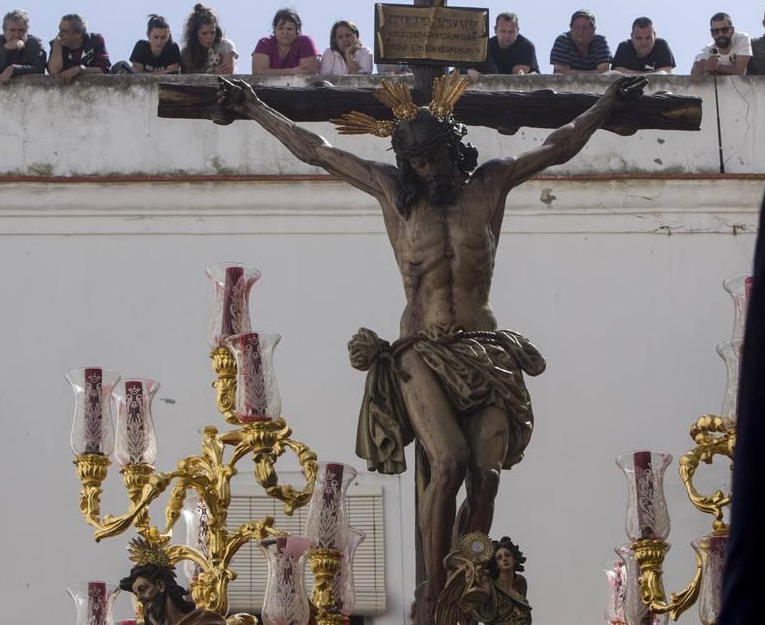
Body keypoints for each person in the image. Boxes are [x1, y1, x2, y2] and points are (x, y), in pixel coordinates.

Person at [213, 71, 648, 623]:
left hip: (486, 350)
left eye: (437, 157)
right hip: (419, 351)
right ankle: (433, 588)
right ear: (405, 163)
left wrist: (605, 105)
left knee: (485, 480)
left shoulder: (490, 185)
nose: (428, 170)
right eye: (417, 162)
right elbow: (316, 150)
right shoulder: (394, 195)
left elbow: (556, 146)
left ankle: (469, 579)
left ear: (454, 148)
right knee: (449, 464)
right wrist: (254, 106)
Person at [462, 12, 540, 79]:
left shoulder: (526, 47)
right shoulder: (485, 47)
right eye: (503, 31)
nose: (507, 35)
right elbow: (460, 66)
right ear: (495, 30)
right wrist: (468, 71)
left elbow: (516, 79)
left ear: (517, 31)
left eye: (511, 32)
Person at [0, 9, 47, 83]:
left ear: (27, 30)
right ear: (4, 31)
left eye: (21, 30)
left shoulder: (35, 43)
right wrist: (5, 48)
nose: (16, 35)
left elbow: (39, 69)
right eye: (12, 30)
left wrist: (14, 69)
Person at [251, 8, 318, 74]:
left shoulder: (305, 42)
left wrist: (270, 71)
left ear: (297, 31)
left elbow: (308, 72)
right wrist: (292, 71)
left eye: (289, 29)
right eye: (281, 28)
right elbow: (258, 72)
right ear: (275, 30)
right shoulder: (264, 44)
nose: (285, 32)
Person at [48, 13, 110, 84]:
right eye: (60, 30)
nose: (59, 34)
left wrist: (79, 69)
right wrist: (57, 45)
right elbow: (53, 71)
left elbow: (104, 70)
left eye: (64, 31)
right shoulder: (58, 43)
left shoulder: (95, 40)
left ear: (78, 34)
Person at [179, 3, 237, 75]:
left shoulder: (225, 46)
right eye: (204, 33)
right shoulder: (187, 53)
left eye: (212, 33)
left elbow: (227, 76)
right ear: (195, 34)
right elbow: (186, 81)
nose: (209, 37)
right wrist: (213, 75)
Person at [550, 10, 611, 74]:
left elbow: (604, 72)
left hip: (596, 84)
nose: (580, 32)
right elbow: (561, 72)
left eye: (585, 28)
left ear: (593, 30)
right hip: (567, 83)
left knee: (614, 73)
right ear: (571, 27)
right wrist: (593, 73)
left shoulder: (600, 42)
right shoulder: (563, 40)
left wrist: (572, 72)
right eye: (577, 27)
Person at [611, 17, 675, 74]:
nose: (643, 43)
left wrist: (630, 72)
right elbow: (617, 72)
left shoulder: (662, 46)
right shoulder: (624, 47)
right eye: (639, 38)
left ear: (654, 36)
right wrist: (651, 73)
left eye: (648, 38)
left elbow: (665, 74)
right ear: (631, 36)